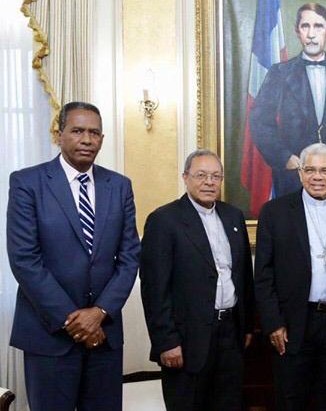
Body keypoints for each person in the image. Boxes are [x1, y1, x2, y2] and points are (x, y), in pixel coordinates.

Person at [6, 101, 140, 411]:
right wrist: (75, 321)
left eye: (94, 133)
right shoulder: (27, 183)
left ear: (102, 139)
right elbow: (25, 260)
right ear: (59, 134)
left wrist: (99, 313)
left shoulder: (119, 186)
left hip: (104, 337)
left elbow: (130, 255)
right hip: (49, 336)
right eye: (77, 131)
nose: (87, 139)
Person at [139, 150, 255, 411]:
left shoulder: (233, 216)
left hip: (230, 333)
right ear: (185, 178)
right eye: (201, 175)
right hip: (187, 338)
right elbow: (154, 288)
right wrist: (166, 342)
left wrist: (246, 327)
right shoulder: (164, 220)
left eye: (216, 176)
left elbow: (244, 275)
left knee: (229, 403)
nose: (209, 182)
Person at [254, 143, 326, 411]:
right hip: (293, 323)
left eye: (325, 170)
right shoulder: (275, 212)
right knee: (292, 399)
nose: (318, 177)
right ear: (301, 173)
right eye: (311, 170)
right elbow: (263, 274)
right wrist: (273, 323)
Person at [249, 2, 326, 203]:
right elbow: (260, 122)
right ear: (297, 32)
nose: (312, 34)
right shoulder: (279, 73)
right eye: (305, 26)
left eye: (318, 26)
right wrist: (285, 157)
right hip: (293, 178)